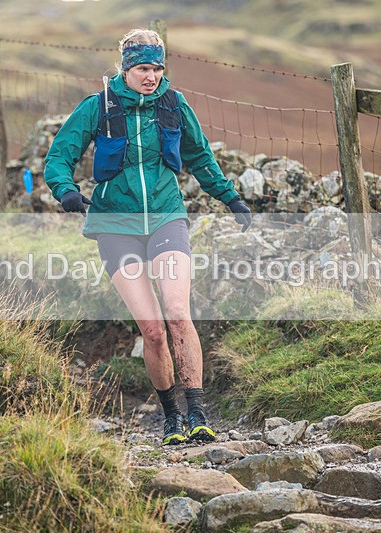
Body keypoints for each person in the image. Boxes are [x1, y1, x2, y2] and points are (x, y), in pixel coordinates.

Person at [44, 28, 251, 445]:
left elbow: (199, 157)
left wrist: (230, 198)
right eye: (143, 68)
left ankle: (198, 412)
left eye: (158, 68)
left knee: (177, 313)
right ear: (126, 69)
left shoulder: (173, 105)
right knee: (153, 329)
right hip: (114, 227)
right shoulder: (98, 107)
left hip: (165, 218)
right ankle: (170, 418)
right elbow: (59, 156)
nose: (152, 76)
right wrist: (65, 190)